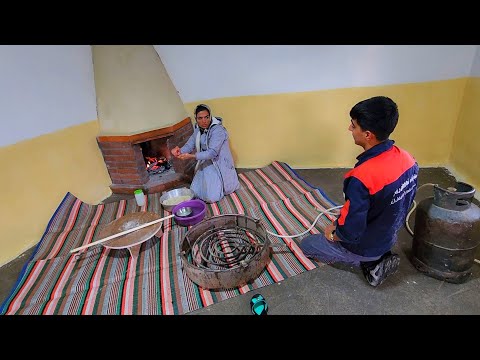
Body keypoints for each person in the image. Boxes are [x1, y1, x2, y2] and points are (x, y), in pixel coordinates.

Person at [300, 96, 419, 287]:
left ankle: (370, 262)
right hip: (391, 234)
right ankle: (377, 256)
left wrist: (333, 234)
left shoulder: (361, 177)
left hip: (367, 245)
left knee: (307, 245)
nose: (350, 129)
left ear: (368, 135)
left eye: (354, 126)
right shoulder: (408, 159)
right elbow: (406, 200)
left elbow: (350, 232)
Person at [171, 103, 240, 203]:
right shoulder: (198, 130)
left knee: (211, 198)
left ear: (210, 116)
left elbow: (212, 153)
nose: (204, 121)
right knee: (195, 192)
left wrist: (192, 156)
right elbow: (190, 145)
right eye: (200, 118)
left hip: (219, 163)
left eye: (206, 117)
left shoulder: (218, 130)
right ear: (196, 118)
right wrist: (179, 151)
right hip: (207, 162)